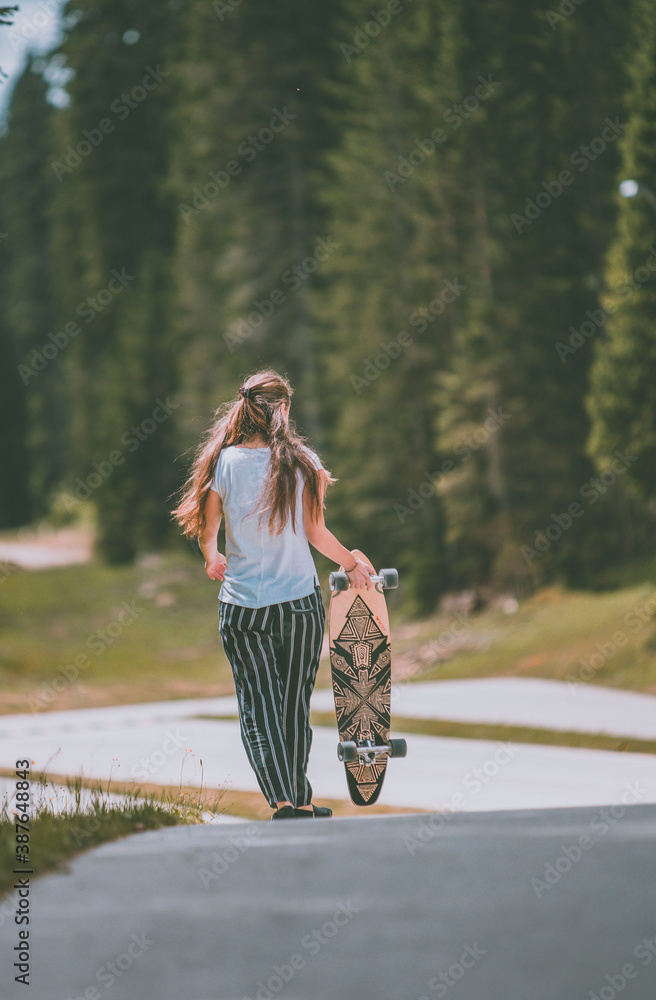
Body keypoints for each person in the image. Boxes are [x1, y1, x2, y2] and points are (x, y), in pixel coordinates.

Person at [171, 369, 373, 820]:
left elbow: (208, 528)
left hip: (243, 611)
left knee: (258, 708)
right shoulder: (303, 462)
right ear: (282, 409)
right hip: (299, 606)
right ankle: (296, 800)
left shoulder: (223, 463)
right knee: (291, 707)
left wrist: (211, 557)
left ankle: (287, 801)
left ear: (244, 406)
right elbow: (316, 532)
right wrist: (351, 563)